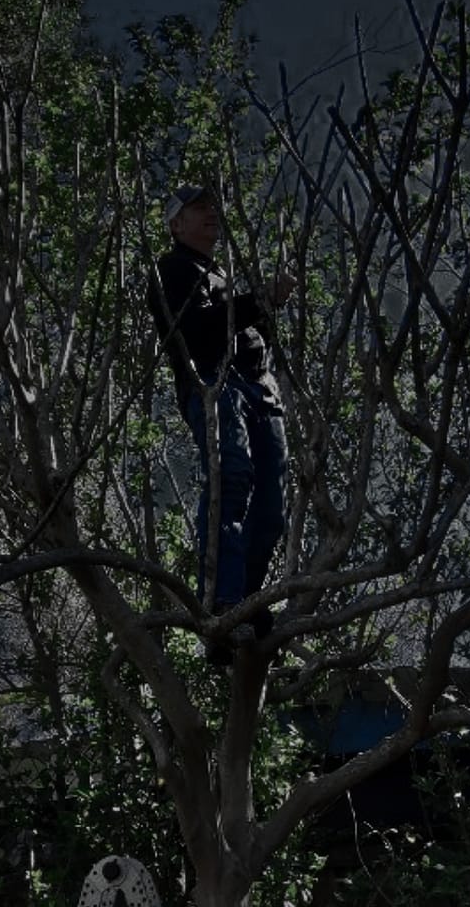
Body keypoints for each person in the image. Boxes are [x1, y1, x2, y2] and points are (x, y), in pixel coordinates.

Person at [147, 185, 294, 661]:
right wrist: (260, 300)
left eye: (212, 207)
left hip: (258, 388)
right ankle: (222, 604)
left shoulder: (221, 275)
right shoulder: (171, 271)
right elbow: (199, 332)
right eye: (197, 208)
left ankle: (245, 606)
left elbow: (247, 328)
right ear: (175, 225)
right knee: (232, 478)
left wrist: (265, 307)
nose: (211, 213)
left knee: (272, 499)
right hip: (215, 383)